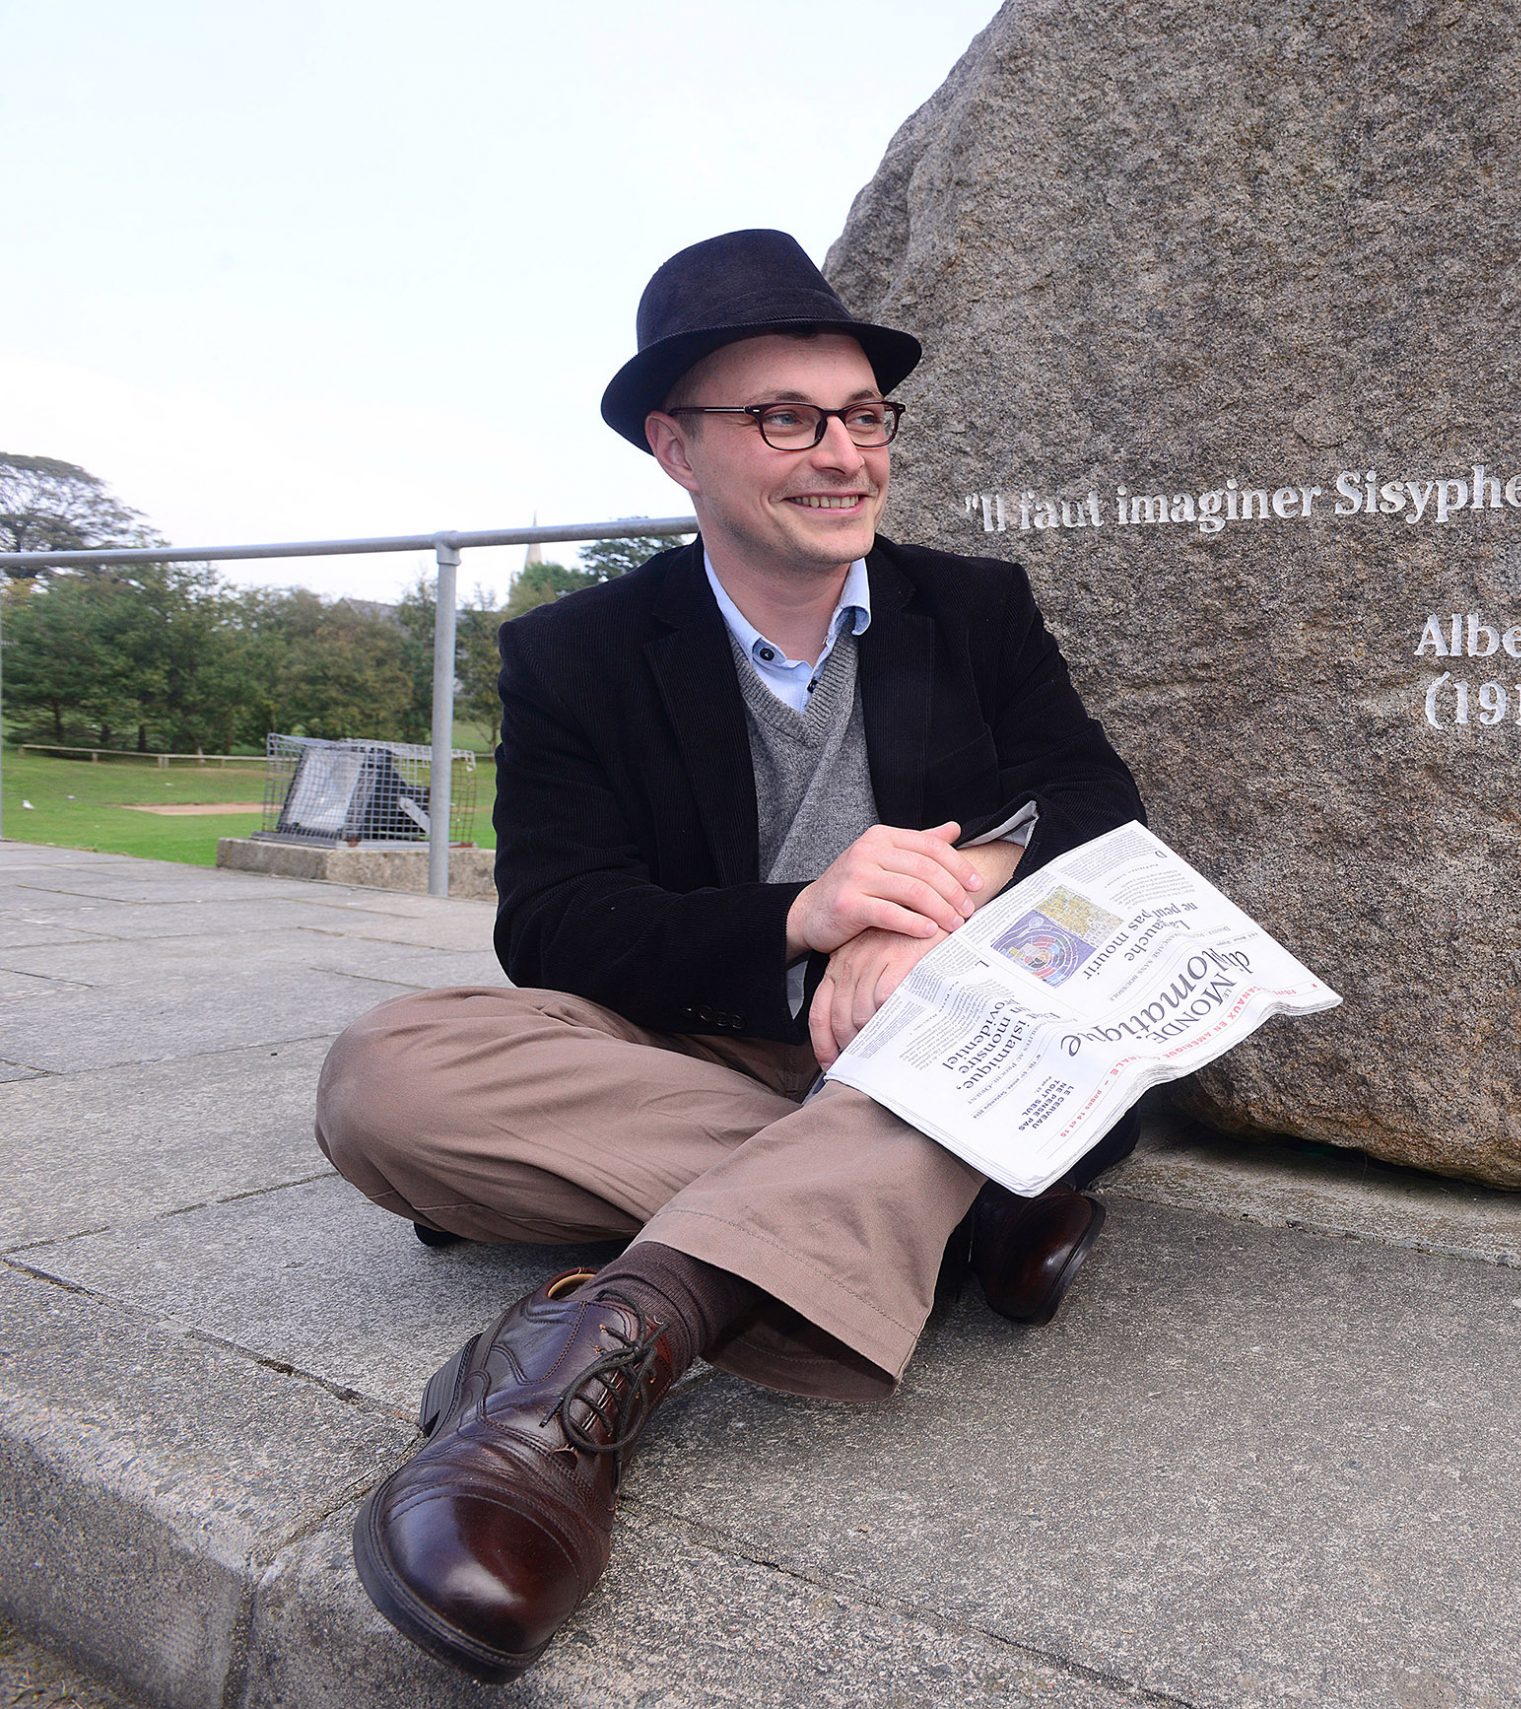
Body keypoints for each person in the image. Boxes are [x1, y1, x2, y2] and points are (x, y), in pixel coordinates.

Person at [310, 229, 1144, 1684]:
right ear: (673, 447)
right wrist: (798, 920)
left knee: (971, 1068)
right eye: (786, 418)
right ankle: (956, 1222)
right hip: (700, 1034)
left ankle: (587, 1364)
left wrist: (943, 885)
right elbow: (556, 920)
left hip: (940, 1035)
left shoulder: (975, 606)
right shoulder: (573, 653)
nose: (843, 454)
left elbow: (1093, 799)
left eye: (863, 416)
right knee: (386, 1075)